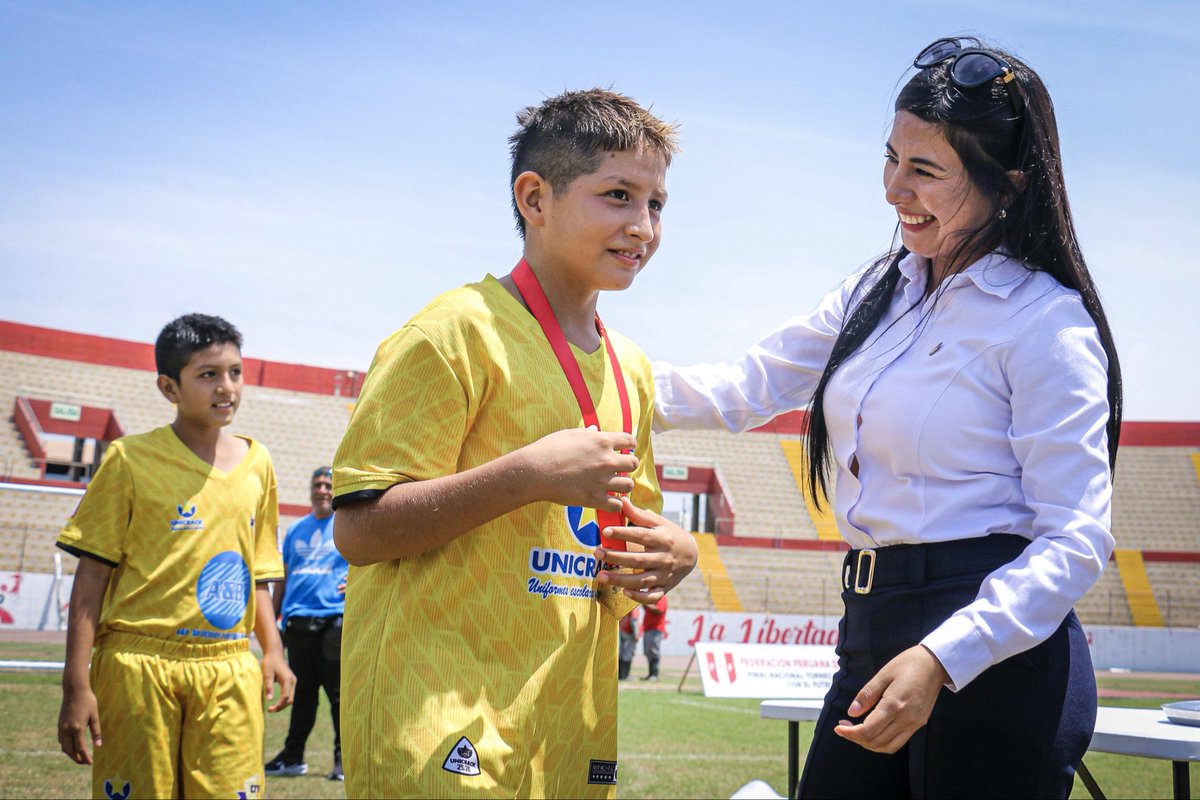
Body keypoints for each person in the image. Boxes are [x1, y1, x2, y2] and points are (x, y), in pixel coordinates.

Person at [654, 37, 1121, 798]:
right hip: (869, 629)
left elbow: (1075, 539)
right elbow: (742, 385)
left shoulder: (1047, 325)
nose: (893, 189)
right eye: (891, 159)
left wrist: (943, 657)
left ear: (1009, 185)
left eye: (925, 171)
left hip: (996, 662)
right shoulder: (878, 291)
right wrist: (575, 379)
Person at [331, 88, 699, 798]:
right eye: (618, 195)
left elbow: (620, 554)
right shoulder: (451, 333)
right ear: (534, 197)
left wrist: (670, 555)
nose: (643, 227)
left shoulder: (633, 369)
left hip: (565, 731)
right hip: (441, 722)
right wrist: (524, 476)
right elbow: (359, 529)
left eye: (656, 204)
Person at [55, 313, 296, 799]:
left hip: (227, 664)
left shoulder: (258, 463)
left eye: (234, 371)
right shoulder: (129, 460)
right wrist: (75, 683)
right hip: (138, 663)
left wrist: (272, 649)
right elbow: (90, 579)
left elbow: (256, 572)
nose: (225, 387)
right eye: (207, 375)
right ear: (169, 387)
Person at [265, 466, 348, 781]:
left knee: (338, 696)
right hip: (297, 622)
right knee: (301, 695)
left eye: (329, 484)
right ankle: (292, 757)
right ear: (311, 489)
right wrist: (272, 622)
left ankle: (342, 762)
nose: (323, 490)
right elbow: (282, 579)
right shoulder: (295, 530)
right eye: (318, 484)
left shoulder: (345, 526)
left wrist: (356, 580)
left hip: (333, 623)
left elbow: (368, 562)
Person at [639, 595, 667, 681]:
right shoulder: (653, 598)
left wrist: (646, 603)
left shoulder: (662, 598)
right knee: (648, 652)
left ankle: (655, 674)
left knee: (654, 651)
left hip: (656, 628)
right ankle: (651, 674)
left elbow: (658, 610)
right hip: (648, 628)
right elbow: (647, 609)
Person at [618, 604, 640, 680]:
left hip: (622, 629)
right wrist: (636, 634)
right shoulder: (634, 605)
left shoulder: (626, 603)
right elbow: (634, 620)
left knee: (622, 653)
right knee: (628, 653)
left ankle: (620, 675)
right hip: (629, 631)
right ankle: (625, 675)